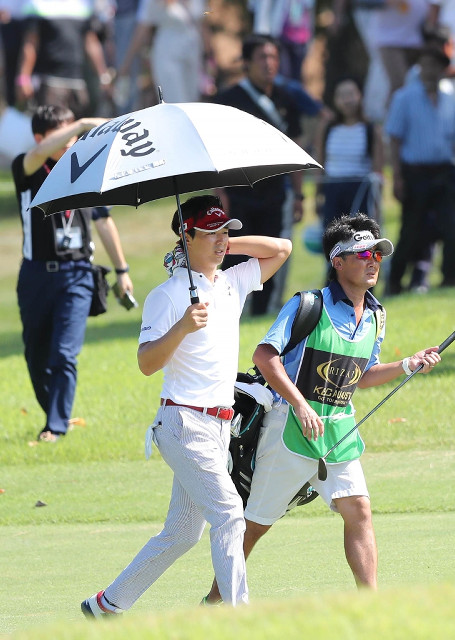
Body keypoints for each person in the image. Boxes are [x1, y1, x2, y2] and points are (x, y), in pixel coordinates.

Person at [204, 212, 441, 602]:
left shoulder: (377, 316)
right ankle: (214, 600)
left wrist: (406, 365)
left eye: (377, 256)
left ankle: (372, 605)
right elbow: (265, 356)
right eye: (362, 254)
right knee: (256, 525)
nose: (372, 262)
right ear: (337, 261)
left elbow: (359, 376)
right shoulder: (307, 305)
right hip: (289, 429)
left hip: (339, 430)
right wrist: (300, 405)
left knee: (359, 511)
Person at [80, 195, 292, 617]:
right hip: (182, 423)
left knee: (180, 534)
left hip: (218, 427)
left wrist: (227, 244)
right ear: (185, 234)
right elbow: (145, 363)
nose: (220, 240)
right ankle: (239, 617)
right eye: (210, 232)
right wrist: (181, 327)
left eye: (224, 231)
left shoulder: (231, 281)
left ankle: (107, 605)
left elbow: (281, 249)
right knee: (231, 514)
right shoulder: (168, 295)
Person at [11, 104, 134, 442]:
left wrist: (122, 270)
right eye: (63, 135)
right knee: (36, 355)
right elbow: (38, 154)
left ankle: (56, 425)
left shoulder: (84, 169)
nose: (72, 142)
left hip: (78, 273)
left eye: (75, 135)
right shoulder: (28, 168)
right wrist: (80, 123)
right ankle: (54, 412)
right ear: (41, 138)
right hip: (36, 275)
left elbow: (104, 221)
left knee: (64, 352)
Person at [213, 33, 304, 315]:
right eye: (262, 57)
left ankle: (262, 312)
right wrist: (220, 196)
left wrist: (298, 194)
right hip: (238, 194)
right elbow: (216, 150)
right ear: (247, 63)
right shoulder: (228, 100)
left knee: (272, 252)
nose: (269, 63)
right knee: (233, 255)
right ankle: (227, 309)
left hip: (275, 192)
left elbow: (295, 151)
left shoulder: (286, 98)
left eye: (274, 57)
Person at [385, 43, 455, 294]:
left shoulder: (451, 96)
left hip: (446, 171)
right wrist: (398, 177)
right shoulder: (405, 97)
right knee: (412, 230)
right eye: (425, 64)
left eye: (435, 65)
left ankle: (450, 278)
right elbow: (394, 139)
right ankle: (394, 282)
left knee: (451, 227)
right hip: (415, 172)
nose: (430, 70)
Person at [15, 0, 112, 118]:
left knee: (79, 131)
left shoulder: (84, 5)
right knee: (52, 130)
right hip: (49, 82)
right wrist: (24, 78)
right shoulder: (36, 4)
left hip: (77, 83)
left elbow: (91, 43)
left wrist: (103, 76)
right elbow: (30, 44)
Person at [314, 77, 384, 231]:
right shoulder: (327, 128)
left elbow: (378, 170)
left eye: (351, 94)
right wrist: (317, 197)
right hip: (333, 190)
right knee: (334, 242)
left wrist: (378, 203)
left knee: (361, 242)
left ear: (360, 96)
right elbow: (320, 163)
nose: (347, 100)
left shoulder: (371, 129)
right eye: (342, 95)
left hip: (361, 191)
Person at [114, 0, 212, 104]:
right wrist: (126, 64)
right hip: (168, 53)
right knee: (175, 103)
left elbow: (202, 23)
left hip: (193, 53)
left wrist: (209, 57)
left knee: (193, 101)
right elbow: (142, 29)